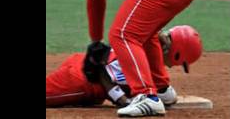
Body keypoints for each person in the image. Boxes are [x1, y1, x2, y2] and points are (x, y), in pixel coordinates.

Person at [46, 25, 202, 112]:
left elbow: (166, 94)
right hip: (82, 80)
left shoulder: (149, 44)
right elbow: (102, 70)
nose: (175, 66)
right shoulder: (147, 58)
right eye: (180, 62)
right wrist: (123, 100)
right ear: (175, 53)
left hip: (85, 67)